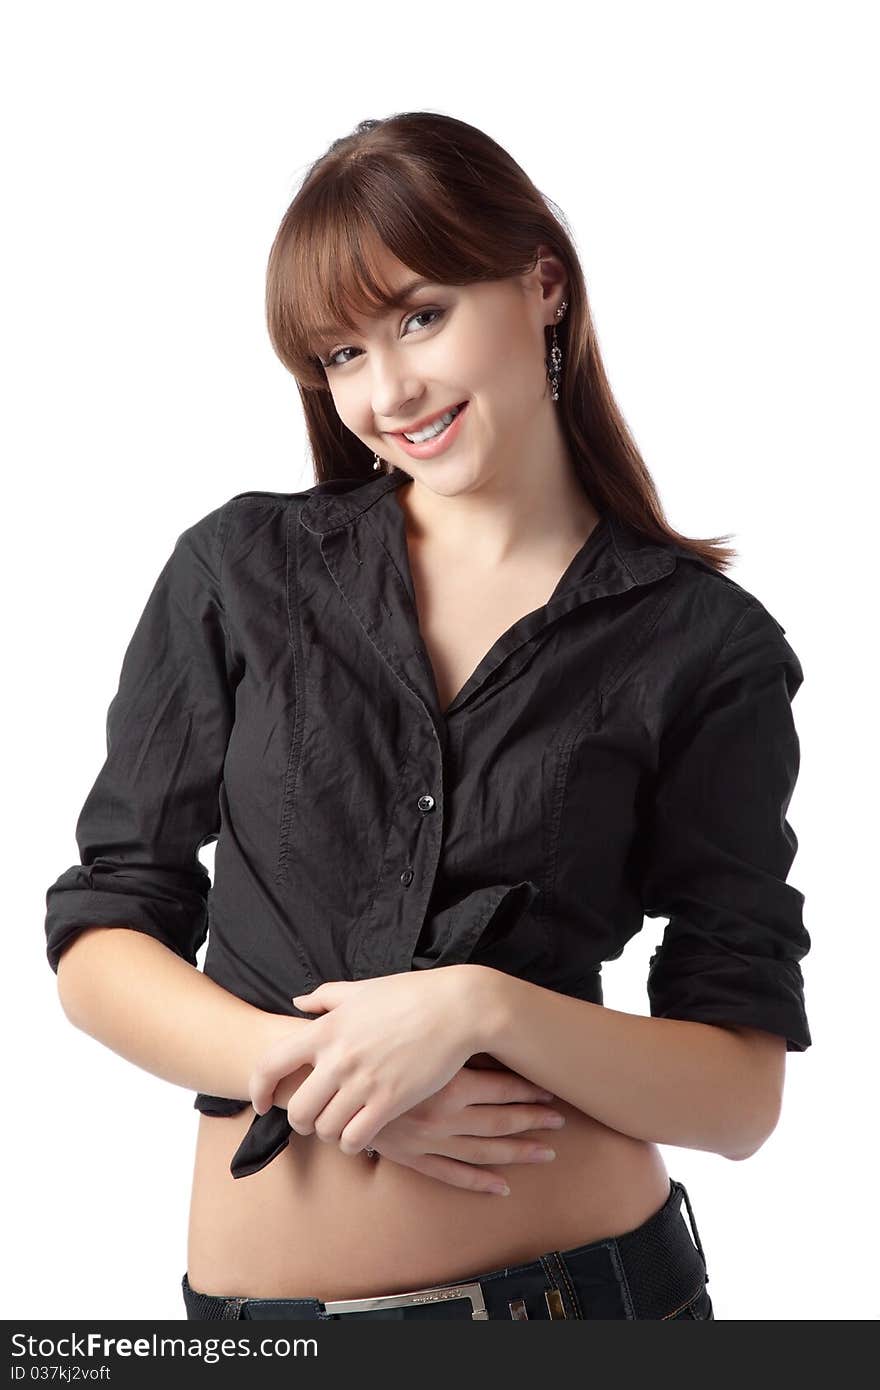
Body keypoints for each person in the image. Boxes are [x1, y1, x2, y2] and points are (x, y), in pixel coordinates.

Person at [44, 111, 811, 1322]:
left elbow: (737, 1098)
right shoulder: (237, 573)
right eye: (339, 355)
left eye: (419, 316)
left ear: (541, 283)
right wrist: (308, 1073)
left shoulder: (701, 645)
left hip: (588, 1307)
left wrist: (479, 1009)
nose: (388, 389)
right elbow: (99, 941)